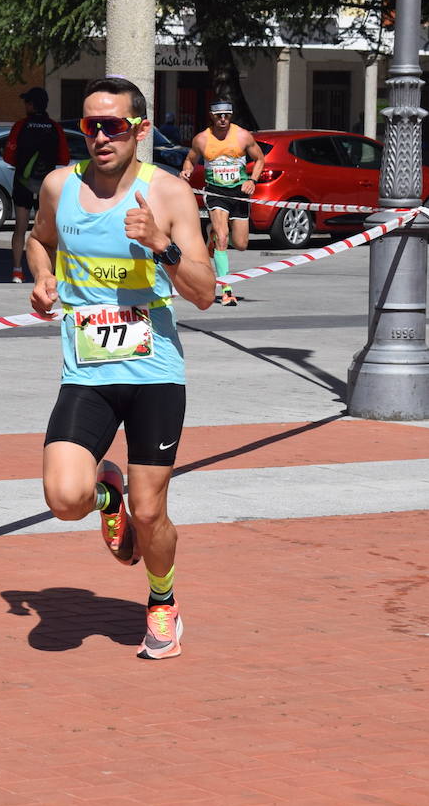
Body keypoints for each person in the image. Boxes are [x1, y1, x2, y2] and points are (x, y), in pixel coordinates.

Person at [26, 76, 214, 660]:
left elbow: (205, 292)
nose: (101, 137)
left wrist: (163, 245)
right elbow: (38, 240)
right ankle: (107, 497)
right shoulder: (60, 186)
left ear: (140, 129)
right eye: (89, 125)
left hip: (154, 371)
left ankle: (162, 602)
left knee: (152, 510)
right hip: (87, 369)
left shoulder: (171, 194)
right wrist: (41, 276)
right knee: (62, 498)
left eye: (114, 125)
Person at [179, 100, 264, 307]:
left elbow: (260, 159)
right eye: (219, 116)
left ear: (231, 115)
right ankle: (227, 290)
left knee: (241, 244)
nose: (223, 119)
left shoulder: (243, 136)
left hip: (239, 192)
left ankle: (211, 235)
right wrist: (186, 171)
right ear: (212, 116)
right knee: (223, 238)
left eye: (227, 115)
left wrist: (252, 180)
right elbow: (190, 159)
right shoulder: (202, 139)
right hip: (215, 192)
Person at [3, 86, 68, 283]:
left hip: (23, 182)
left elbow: (8, 155)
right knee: (48, 231)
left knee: (20, 228)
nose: (24, 105)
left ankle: (17, 271)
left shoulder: (21, 126)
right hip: (46, 186)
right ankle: (50, 272)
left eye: (26, 102)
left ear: (31, 104)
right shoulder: (55, 127)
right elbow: (64, 158)